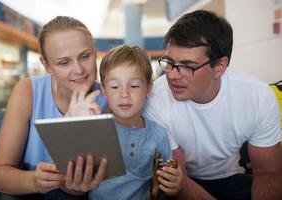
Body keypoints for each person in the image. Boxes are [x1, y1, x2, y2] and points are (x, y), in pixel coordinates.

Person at [144, 10, 282, 200]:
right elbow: (179, 179)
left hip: (232, 178)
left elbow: (268, 173)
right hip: (182, 181)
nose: (172, 75)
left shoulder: (258, 97)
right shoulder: (155, 99)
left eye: (188, 66)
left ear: (219, 67)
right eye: (170, 62)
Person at [0, 16, 108, 200]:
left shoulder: (110, 98)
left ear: (95, 51)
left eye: (85, 56)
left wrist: (73, 188)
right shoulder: (27, 91)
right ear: (46, 65)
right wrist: (35, 182)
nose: (79, 70)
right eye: (64, 62)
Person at [66, 44, 183, 199]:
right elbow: (73, 174)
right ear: (104, 91)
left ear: (148, 89)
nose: (124, 94)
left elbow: (168, 179)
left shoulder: (158, 134)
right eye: (114, 86)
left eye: (134, 86)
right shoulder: (95, 130)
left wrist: (176, 185)